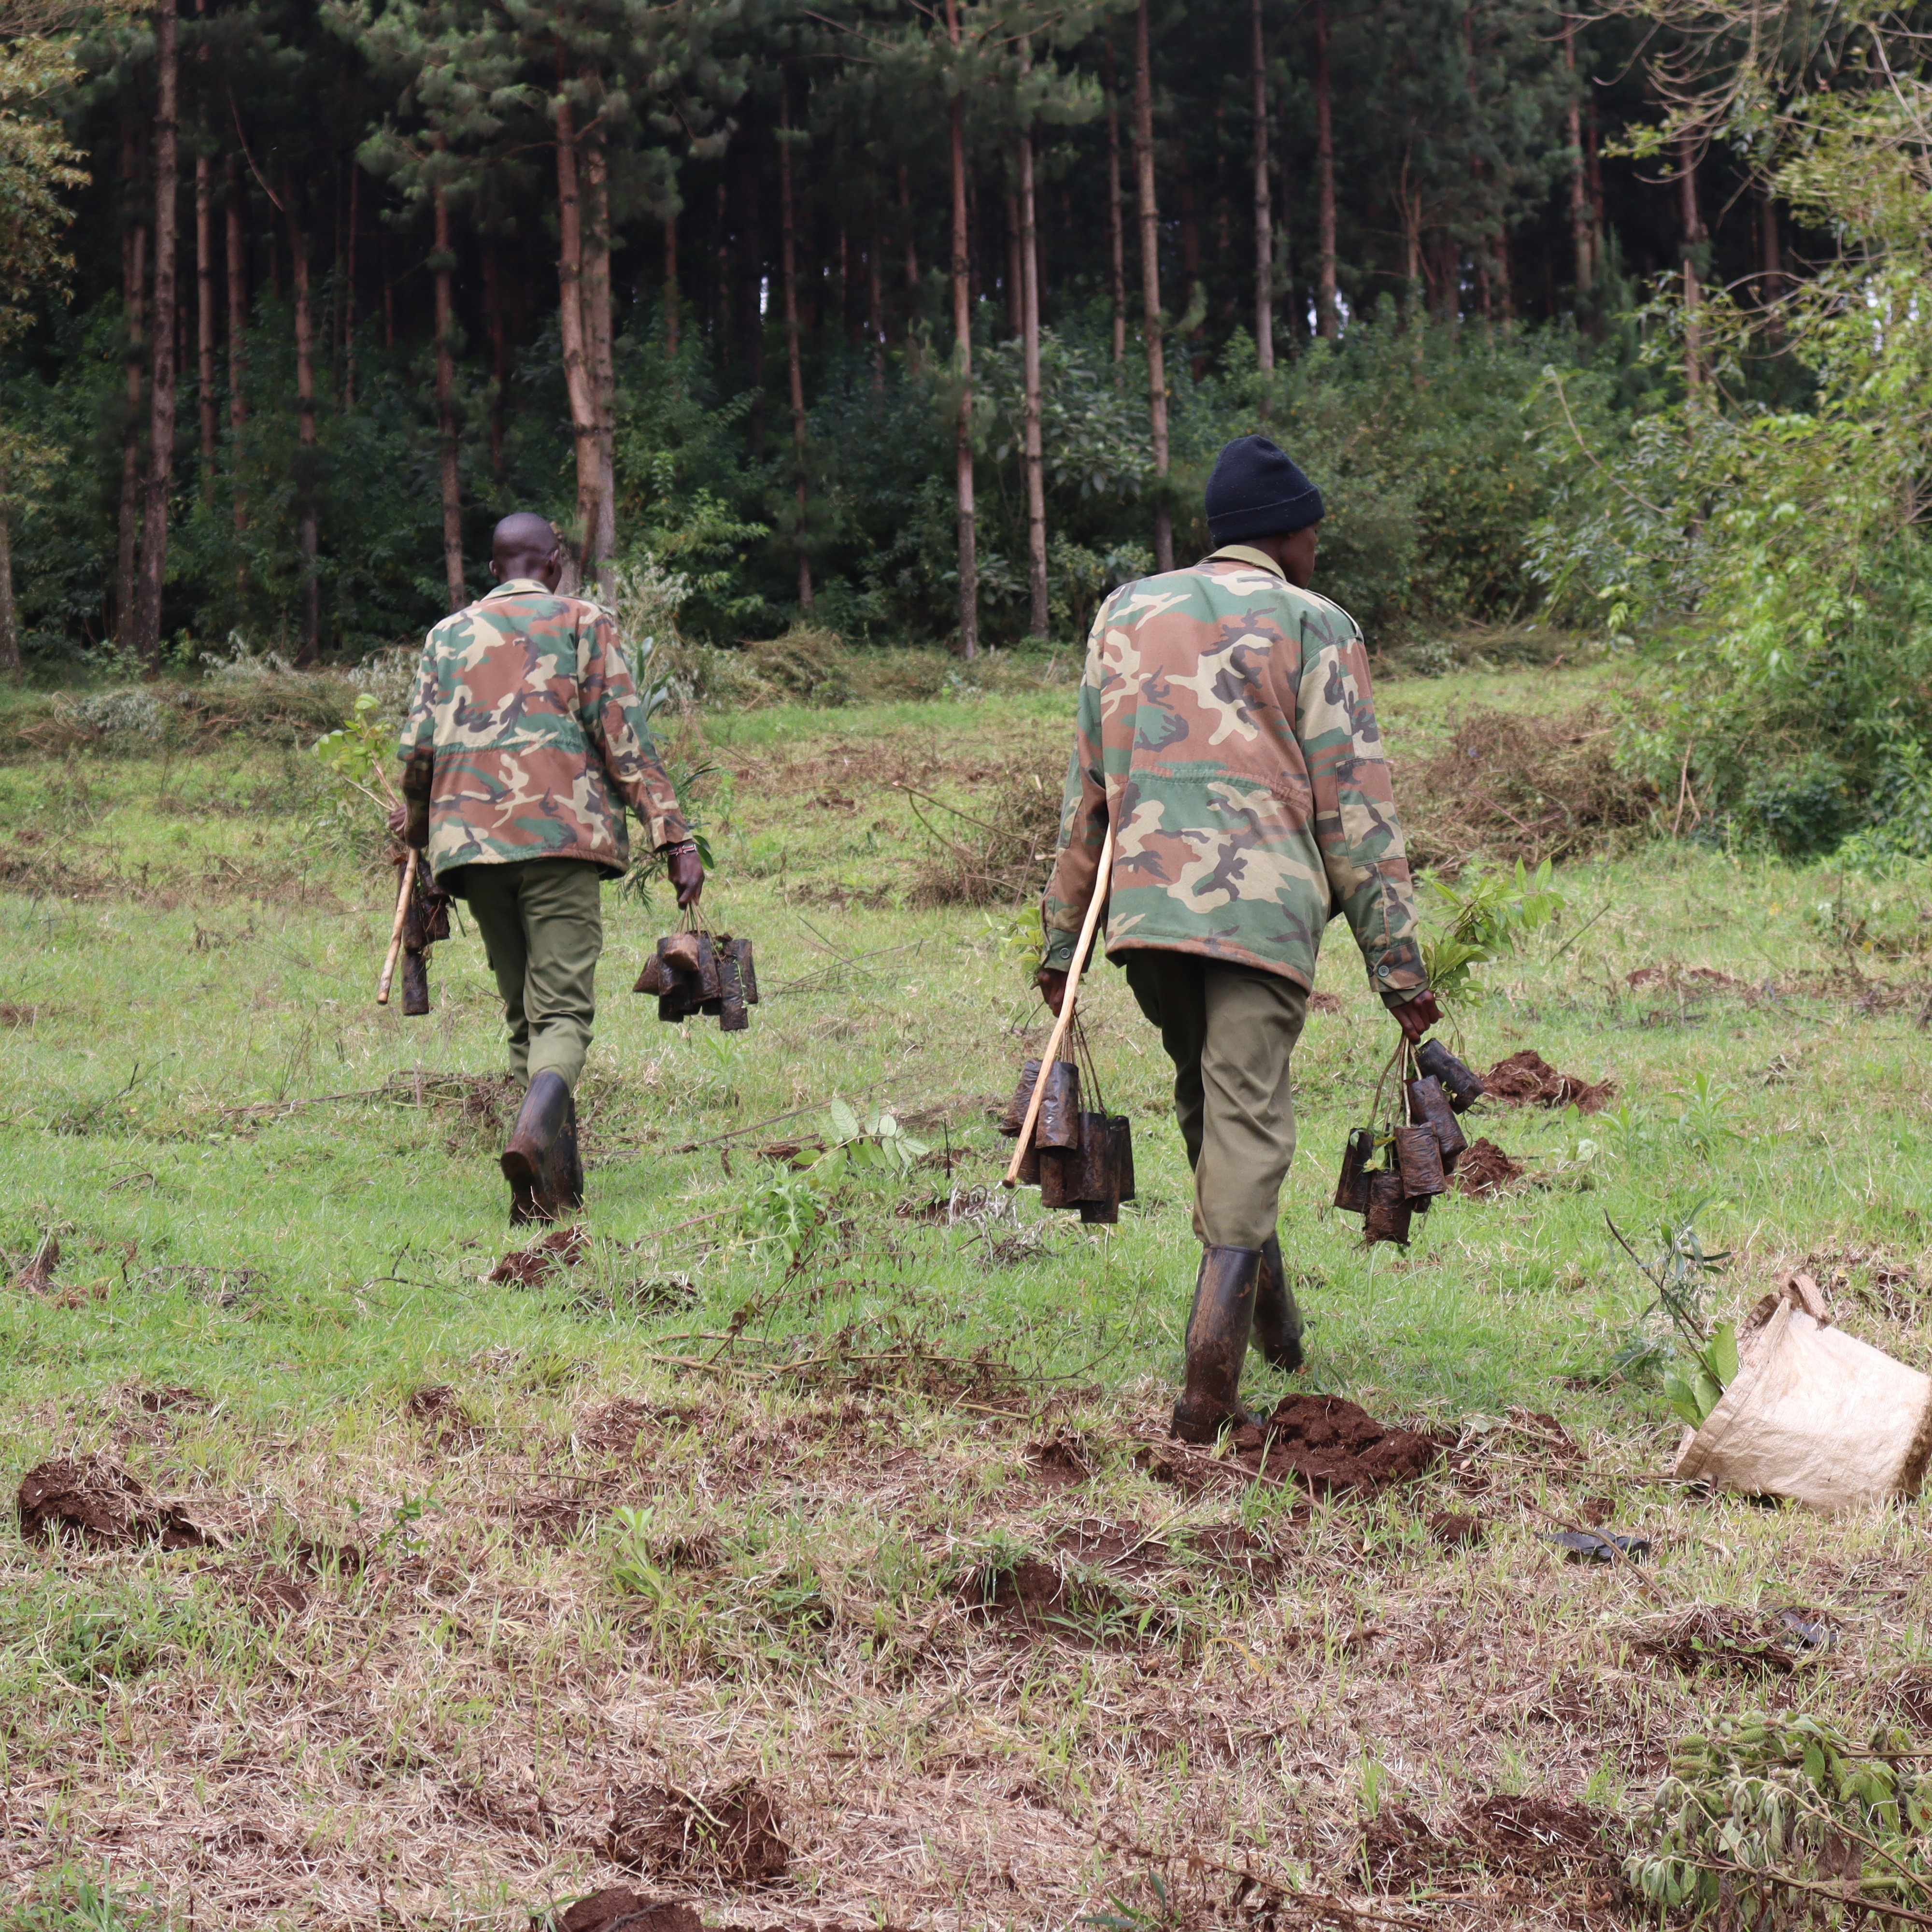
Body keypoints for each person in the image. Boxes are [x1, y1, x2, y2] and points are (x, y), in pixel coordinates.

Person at [1035, 435, 1441, 1442]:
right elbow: (1356, 812)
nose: (1316, 552)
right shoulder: (1316, 623)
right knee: (1249, 1119)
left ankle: (1276, 1325)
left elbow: (1088, 787)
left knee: (1205, 1105)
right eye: (1312, 535)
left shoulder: (1124, 610)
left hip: (1144, 914)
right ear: (1290, 536)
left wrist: (1061, 942)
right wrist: (1399, 967)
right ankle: (1208, 1381)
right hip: (1257, 914)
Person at [396, 512, 704, 1223]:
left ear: (494, 566)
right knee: (563, 1011)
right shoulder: (583, 620)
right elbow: (624, 736)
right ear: (555, 561)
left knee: (524, 1016)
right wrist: (676, 838)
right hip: (560, 841)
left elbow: (417, 754)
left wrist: (422, 846)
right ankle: (533, 1137)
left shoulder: (447, 636)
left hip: (470, 853)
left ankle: (547, 1196)